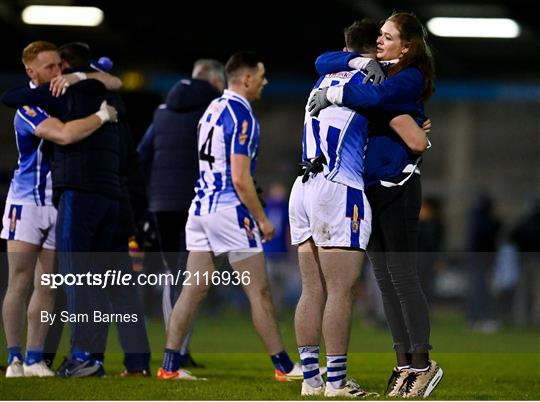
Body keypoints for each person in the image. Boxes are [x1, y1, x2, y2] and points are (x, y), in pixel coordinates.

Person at [290, 18, 429, 398]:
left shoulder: (323, 77)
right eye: (382, 39)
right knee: (340, 290)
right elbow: (407, 129)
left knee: (311, 289)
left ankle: (310, 379)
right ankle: (335, 383)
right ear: (375, 50)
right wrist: (416, 122)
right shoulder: (373, 78)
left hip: (301, 186)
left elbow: (322, 59)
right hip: (339, 187)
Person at [157, 52, 302, 381]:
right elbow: (239, 177)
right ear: (247, 78)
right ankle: (284, 367)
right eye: (261, 75)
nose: (264, 82)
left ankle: (169, 367)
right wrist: (263, 218)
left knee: (192, 289)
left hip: (200, 208)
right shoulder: (242, 116)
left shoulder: (212, 109)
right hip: (228, 210)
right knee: (259, 291)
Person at [0, 41, 117, 378]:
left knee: (48, 284)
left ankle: (35, 358)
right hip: (25, 203)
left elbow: (113, 82)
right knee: (19, 282)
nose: (56, 72)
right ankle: (13, 359)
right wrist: (101, 116)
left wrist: (81, 76)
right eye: (49, 67)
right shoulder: (28, 106)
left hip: (57, 201)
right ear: (31, 71)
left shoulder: (64, 95)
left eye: (58, 66)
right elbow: (64, 136)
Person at [137, 59, 225, 366]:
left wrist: (150, 196)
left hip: (162, 204)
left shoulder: (162, 113)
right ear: (216, 83)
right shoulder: (215, 110)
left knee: (171, 274)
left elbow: (142, 155)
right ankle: (179, 350)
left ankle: (174, 349)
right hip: (199, 203)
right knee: (195, 278)